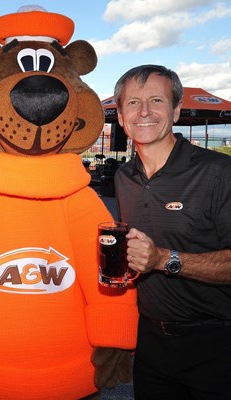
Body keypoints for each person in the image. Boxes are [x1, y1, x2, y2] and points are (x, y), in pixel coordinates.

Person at [114, 64, 231, 399]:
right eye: (133, 103)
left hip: (215, 345)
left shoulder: (217, 173)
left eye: (156, 100)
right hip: (150, 344)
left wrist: (164, 259)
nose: (145, 112)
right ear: (121, 117)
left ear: (176, 110)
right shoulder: (124, 177)